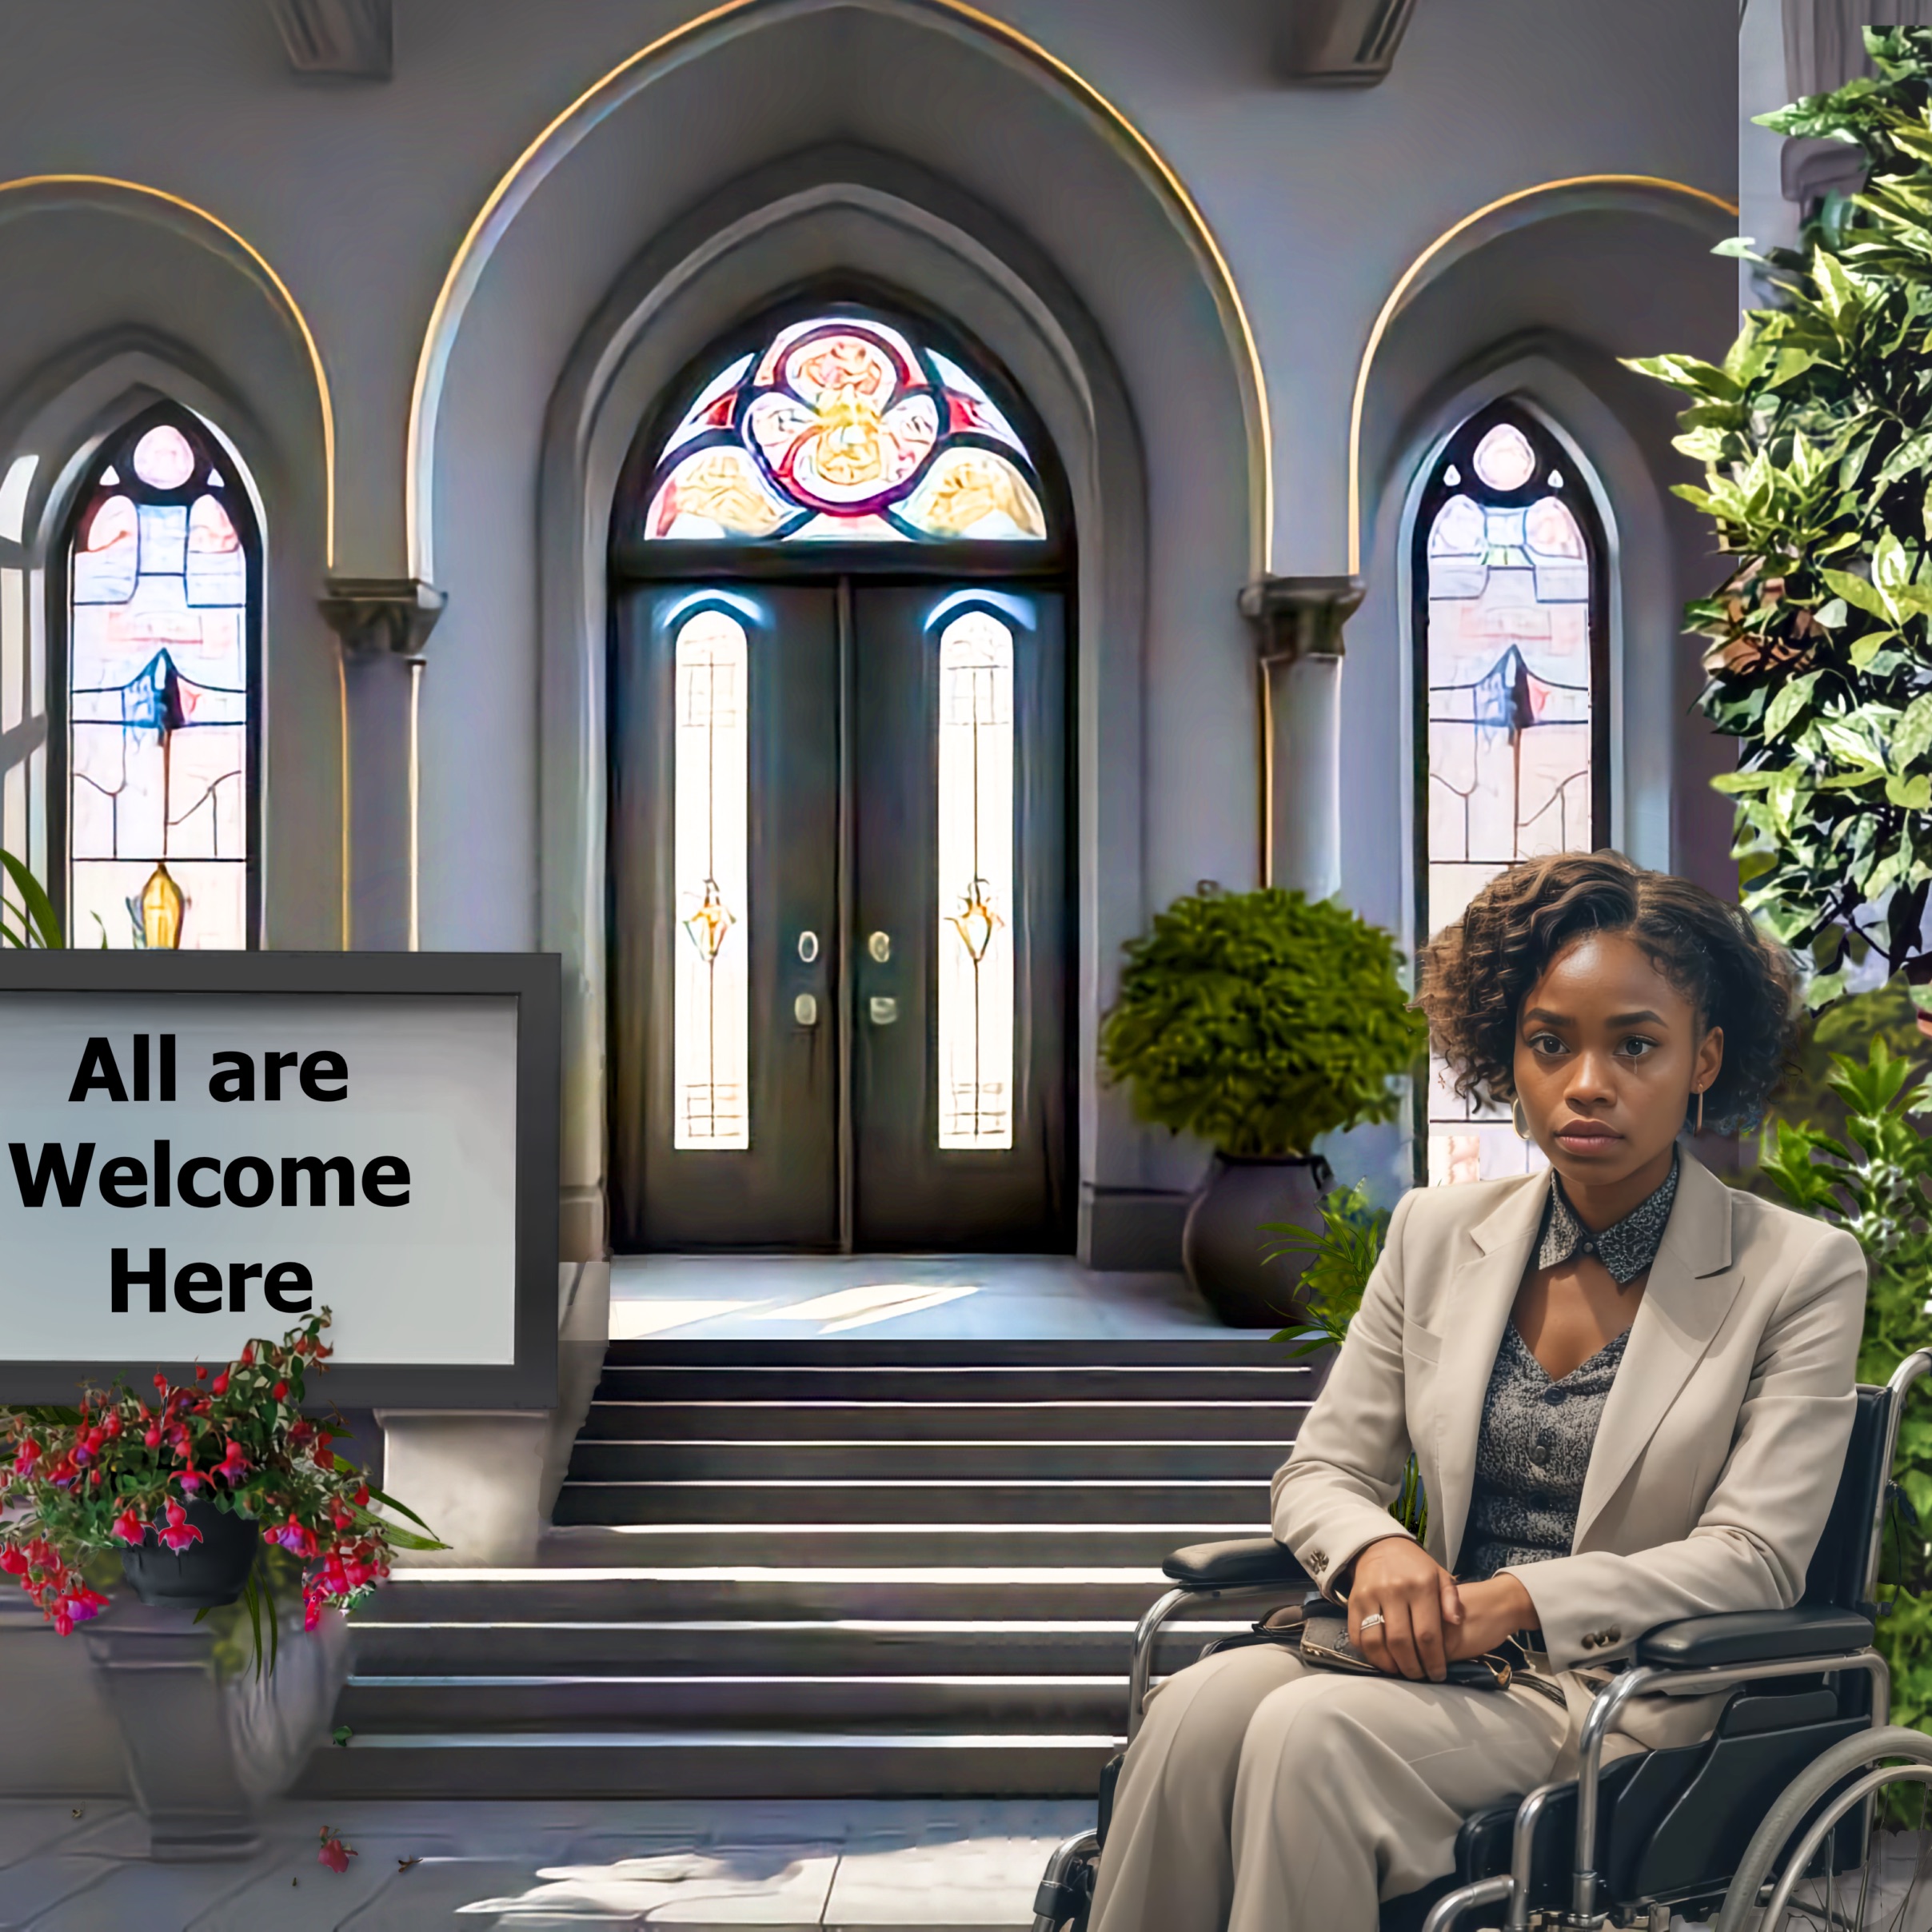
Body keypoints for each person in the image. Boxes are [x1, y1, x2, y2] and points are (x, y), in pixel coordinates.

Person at [1088, 851, 1867, 1932]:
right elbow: (1322, 1470)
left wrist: (1512, 1605)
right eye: (1550, 1044)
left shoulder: (1798, 1271)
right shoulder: (1435, 1235)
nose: (1586, 1082)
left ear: (1704, 1057)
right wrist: (1382, 1552)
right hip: (1429, 1668)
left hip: (1621, 1702)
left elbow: (1758, 1558)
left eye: (1634, 1044)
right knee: (1198, 1708)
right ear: (1510, 1054)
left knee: (1306, 1738)